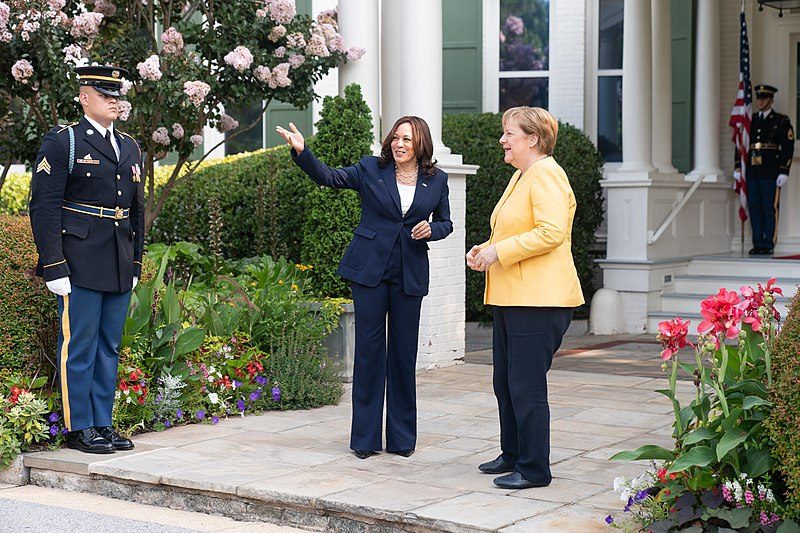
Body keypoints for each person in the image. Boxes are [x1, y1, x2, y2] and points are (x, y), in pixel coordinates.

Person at [276, 117, 452, 459]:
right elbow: (329, 177)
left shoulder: (437, 180)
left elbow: (446, 221)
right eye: (396, 138)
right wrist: (302, 152)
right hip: (369, 270)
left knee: (403, 355)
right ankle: (365, 439)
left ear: (421, 146)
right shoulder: (371, 168)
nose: (399, 144)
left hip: (409, 273)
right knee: (370, 353)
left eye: (408, 140)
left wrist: (433, 231)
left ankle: (402, 439)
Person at [466, 106, 584, 489]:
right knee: (505, 381)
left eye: (509, 133)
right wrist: (485, 249)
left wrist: (499, 252)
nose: (502, 139)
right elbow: (515, 231)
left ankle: (534, 469)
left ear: (533, 139)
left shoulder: (547, 174)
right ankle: (513, 453)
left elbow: (551, 232)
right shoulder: (523, 176)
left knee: (525, 385)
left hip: (540, 299)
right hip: (515, 296)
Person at [29, 65, 144, 454]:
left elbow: (136, 211)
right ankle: (79, 427)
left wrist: (135, 264)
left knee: (109, 345)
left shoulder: (129, 146)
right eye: (104, 93)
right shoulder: (65, 142)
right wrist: (53, 264)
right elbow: (43, 206)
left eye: (117, 94)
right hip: (77, 259)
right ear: (83, 97)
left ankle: (102, 423)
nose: (114, 100)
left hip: (116, 259)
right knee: (79, 345)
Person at [735, 84, 794, 255]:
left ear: (771, 100)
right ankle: (757, 242)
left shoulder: (781, 120)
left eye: (764, 98)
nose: (760, 102)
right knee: (754, 205)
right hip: (752, 171)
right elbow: (741, 144)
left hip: (770, 171)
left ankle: (768, 242)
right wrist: (738, 166)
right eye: (758, 98)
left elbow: (788, 147)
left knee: (770, 207)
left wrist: (784, 170)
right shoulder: (750, 120)